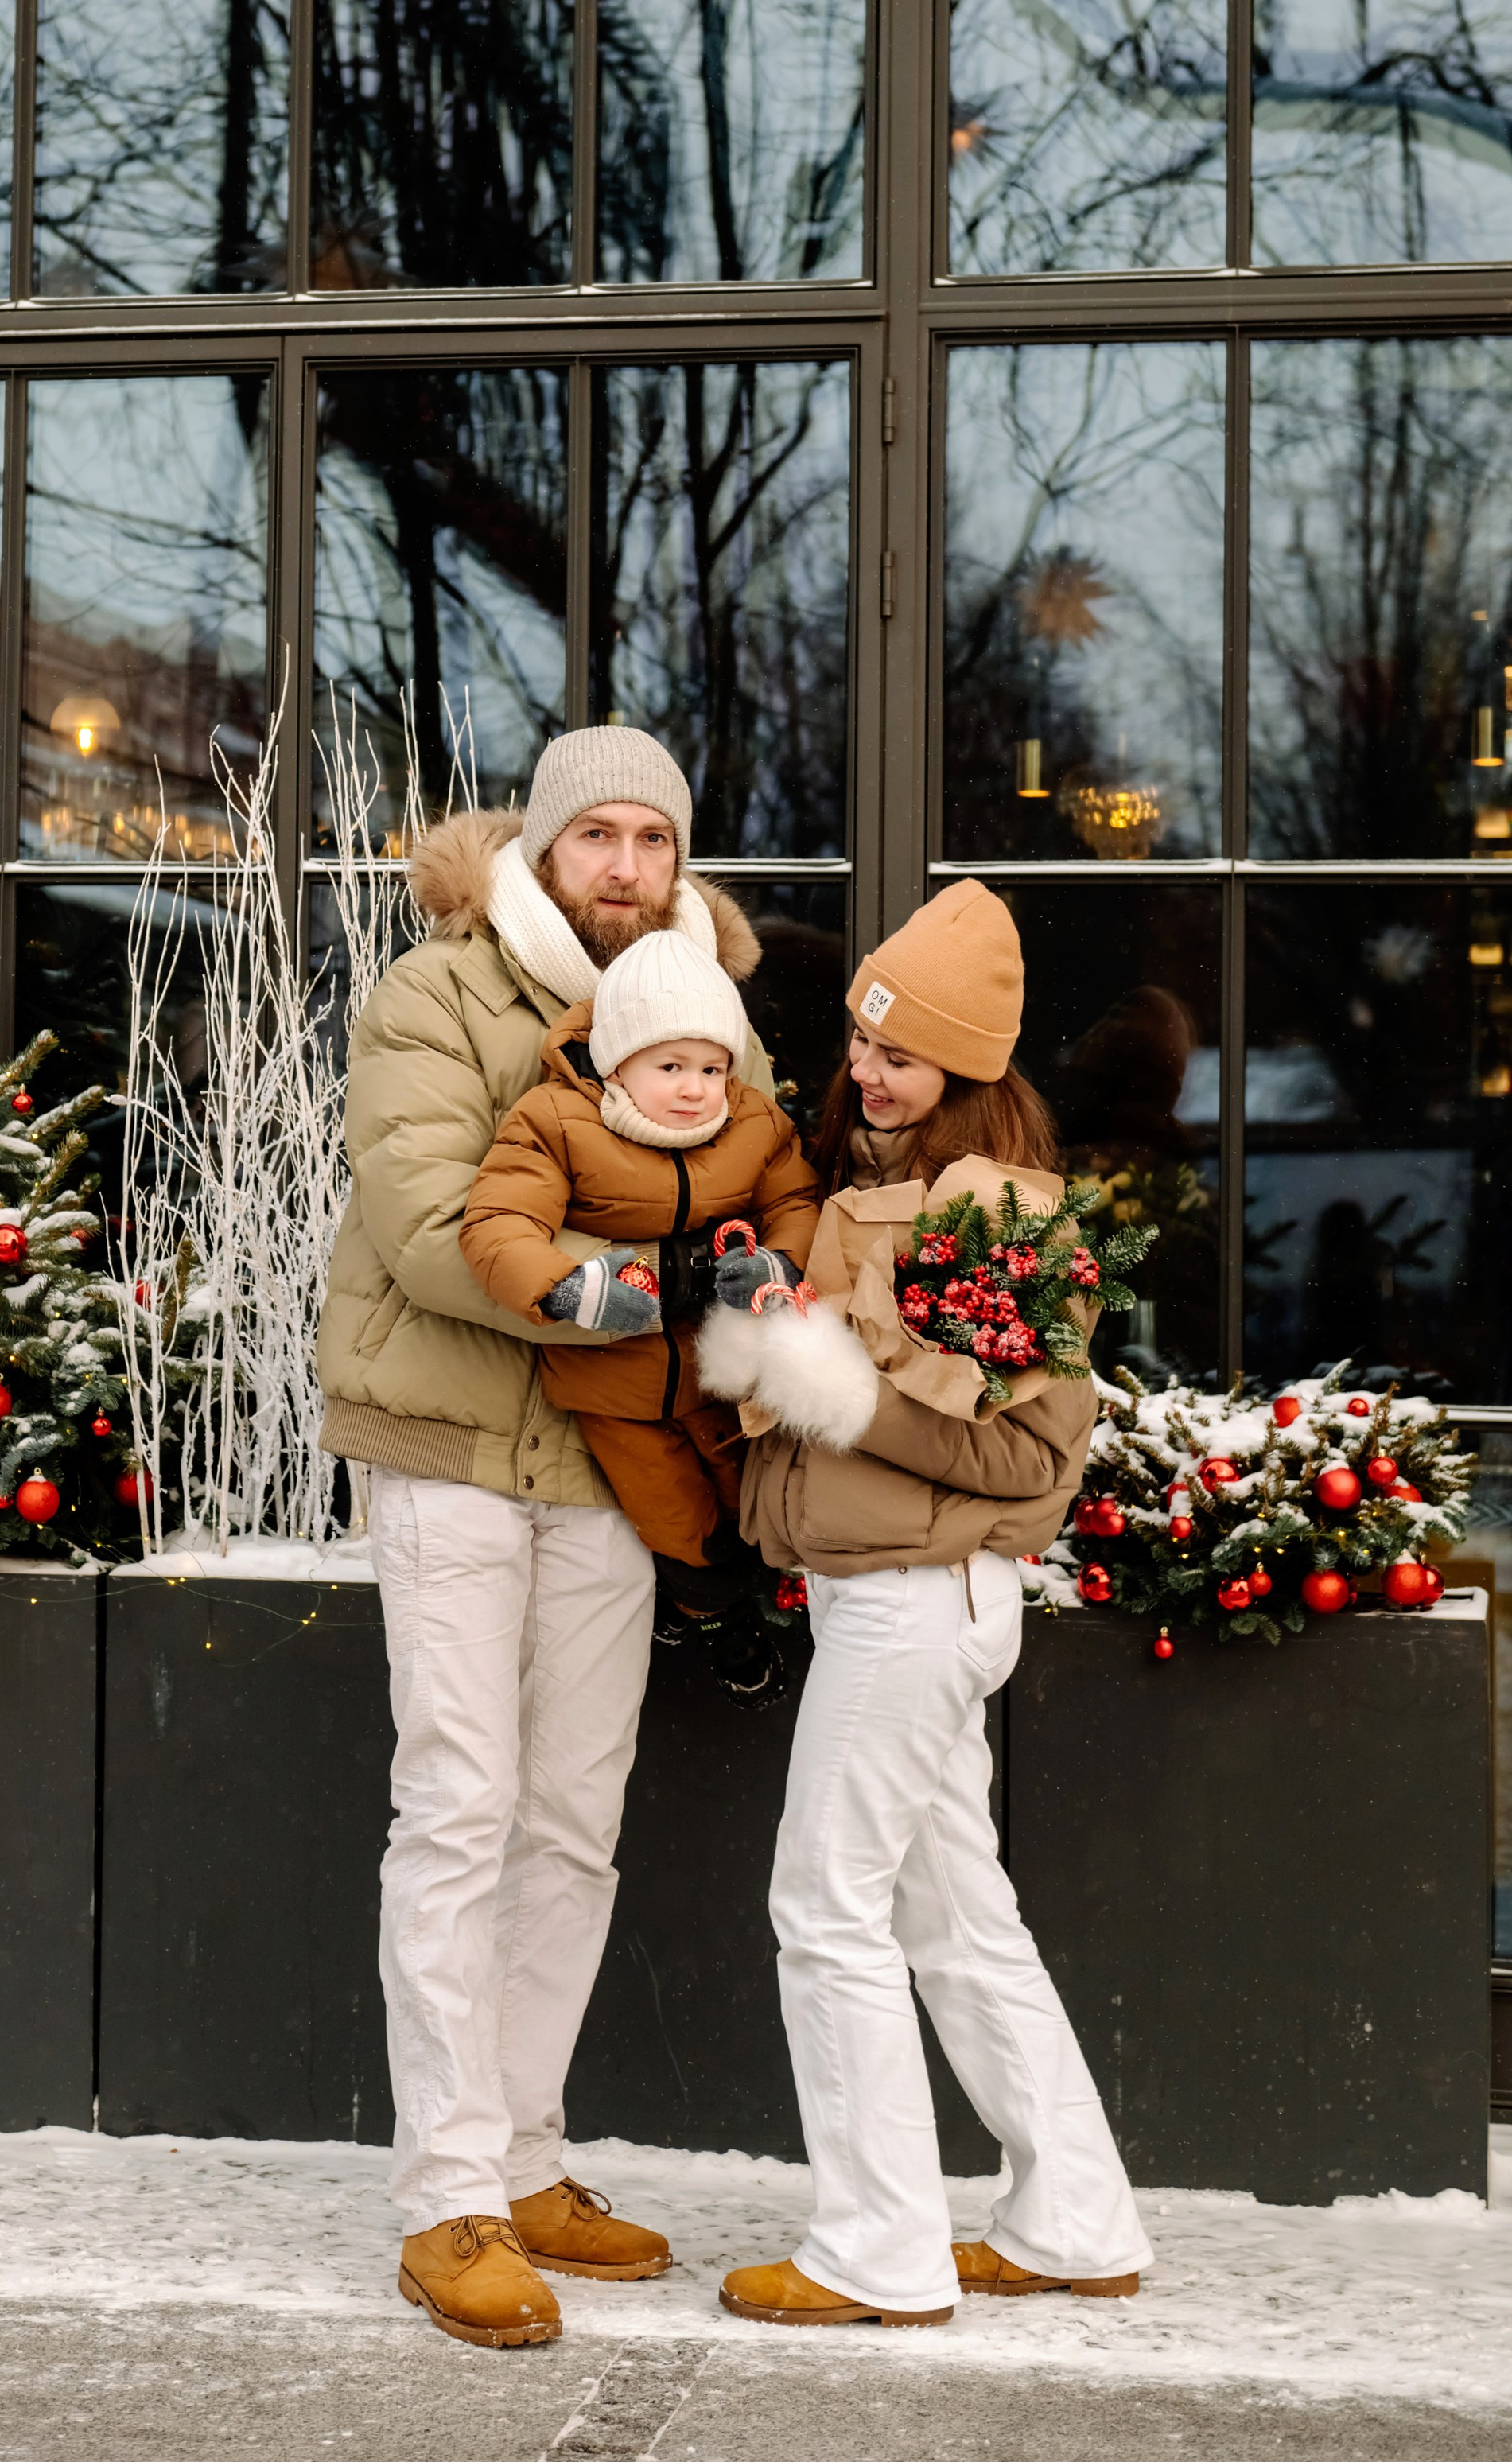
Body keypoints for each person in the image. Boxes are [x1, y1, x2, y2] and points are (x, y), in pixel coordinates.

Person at [317, 726, 778, 2350]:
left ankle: (521, 2160)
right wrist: (631, 1287)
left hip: (605, 1467)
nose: (628, 866)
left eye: (656, 837)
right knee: (456, 1805)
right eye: (600, 835)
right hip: (447, 1448)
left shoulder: (703, 1021)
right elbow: (428, 1220)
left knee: (571, 1823)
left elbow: (754, 1199)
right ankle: (443, 2199)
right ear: (546, 844)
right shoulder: (431, 995)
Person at [697, 879, 1152, 2329]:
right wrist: (779, 1339)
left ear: (968, 1069)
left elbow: (1025, 1453)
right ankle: (1075, 2216)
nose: (869, 1069)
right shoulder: (871, 1199)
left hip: (917, 1607)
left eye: (900, 1051)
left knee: (825, 1909)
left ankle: (877, 2248)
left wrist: (828, 1379)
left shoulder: (999, 1223)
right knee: (957, 1916)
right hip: (880, 1601)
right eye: (861, 1041)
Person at [458, 925, 821, 1706]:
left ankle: (691, 1602)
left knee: (744, 1501)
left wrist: (779, 1261)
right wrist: (567, 1288)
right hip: (612, 1386)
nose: (695, 1088)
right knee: (676, 1517)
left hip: (718, 1376)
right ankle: (718, 1617)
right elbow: (498, 1224)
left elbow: (794, 1198)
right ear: (616, 1059)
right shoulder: (556, 1122)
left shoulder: (752, 1123)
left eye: (711, 1067)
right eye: (670, 1066)